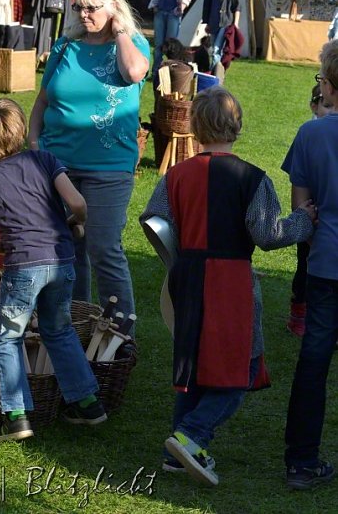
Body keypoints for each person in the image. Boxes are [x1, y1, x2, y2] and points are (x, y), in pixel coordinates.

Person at [141, 86, 315, 487]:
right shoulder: (252, 178)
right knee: (241, 369)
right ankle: (192, 435)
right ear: (236, 127)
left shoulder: (176, 176)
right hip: (230, 281)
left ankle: (176, 453)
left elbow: (154, 221)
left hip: (187, 276)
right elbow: (268, 234)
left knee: (192, 363)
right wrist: (303, 221)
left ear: (195, 126)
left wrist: (178, 258)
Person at [0, 99, 106, 441]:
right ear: (21, 130)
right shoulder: (46, 160)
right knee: (59, 331)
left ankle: (16, 418)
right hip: (61, 261)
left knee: (7, 339)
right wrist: (75, 223)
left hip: (21, 268)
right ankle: (88, 404)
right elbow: (77, 203)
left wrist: (6, 246)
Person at [28, 0, 150, 320]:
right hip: (56, 163)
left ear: (113, 8)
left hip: (108, 168)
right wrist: (35, 143)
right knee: (66, 248)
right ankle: (76, 325)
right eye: (79, 7)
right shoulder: (66, 45)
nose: (84, 14)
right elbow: (42, 101)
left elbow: (135, 73)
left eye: (93, 8)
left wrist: (121, 30)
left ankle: (120, 334)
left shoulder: (133, 44)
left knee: (102, 248)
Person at [283, 41, 338, 491]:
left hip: (325, 263)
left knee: (314, 362)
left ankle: (301, 461)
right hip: (326, 264)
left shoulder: (311, 133)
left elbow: (301, 210)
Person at [282, 84, 334, 337]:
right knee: (305, 267)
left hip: (324, 218)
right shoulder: (310, 134)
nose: (328, 110)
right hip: (313, 216)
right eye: (323, 105)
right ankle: (299, 312)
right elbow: (299, 187)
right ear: (314, 105)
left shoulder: (314, 133)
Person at [201, 0, 240, 72]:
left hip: (225, 23)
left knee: (216, 50)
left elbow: (237, 6)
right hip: (213, 23)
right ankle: (218, 73)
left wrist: (235, 24)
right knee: (213, 49)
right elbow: (207, 4)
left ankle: (214, 75)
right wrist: (207, 22)